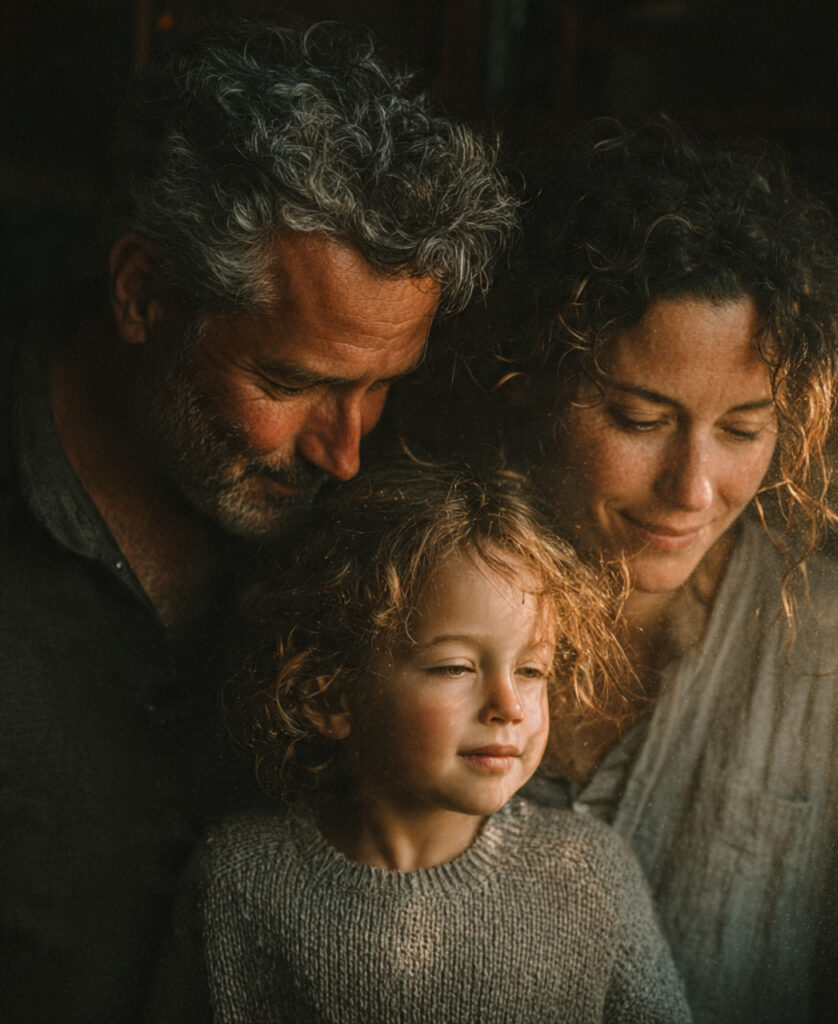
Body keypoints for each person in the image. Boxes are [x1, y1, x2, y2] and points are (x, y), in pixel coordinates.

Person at [0, 22, 514, 1024]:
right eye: (291, 381)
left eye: (378, 389)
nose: (345, 451)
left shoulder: (397, 537)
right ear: (143, 293)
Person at [447, 120, 838, 1024]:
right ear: (535, 385)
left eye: (744, 429)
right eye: (638, 418)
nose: (692, 489)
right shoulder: (401, 614)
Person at [145, 461, 691, 1024]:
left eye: (531, 671)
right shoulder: (242, 880)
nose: (509, 706)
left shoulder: (587, 873)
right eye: (455, 668)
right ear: (331, 697)